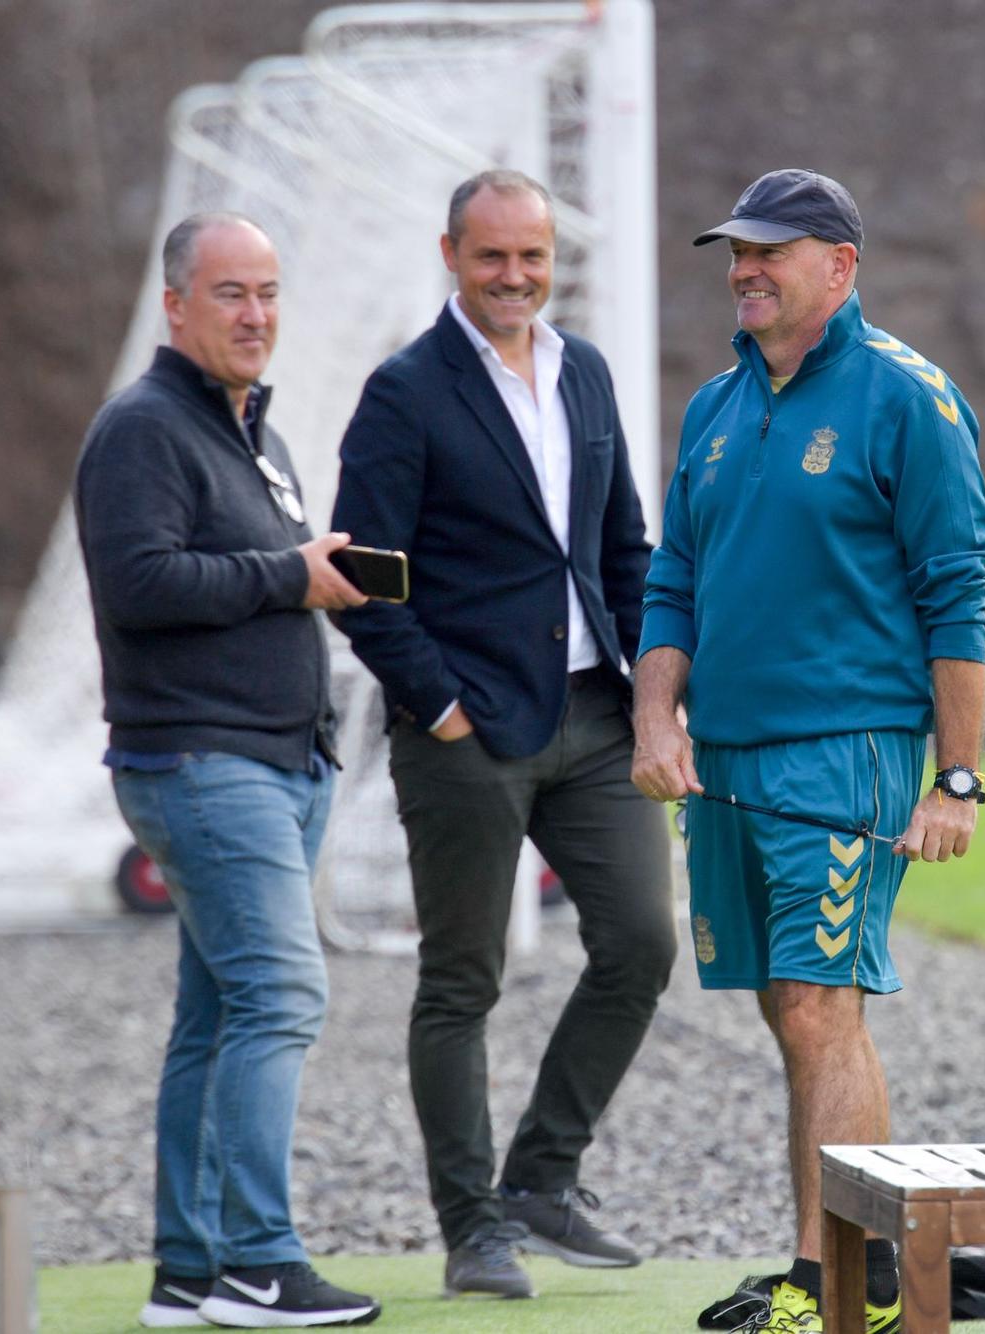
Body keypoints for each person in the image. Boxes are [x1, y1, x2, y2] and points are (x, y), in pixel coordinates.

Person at [632, 169, 985, 1334]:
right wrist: (654, 716)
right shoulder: (714, 408)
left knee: (816, 1004)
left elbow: (957, 597)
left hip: (845, 755)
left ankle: (859, 1279)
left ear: (838, 266)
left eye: (770, 250)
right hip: (726, 764)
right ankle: (818, 1260)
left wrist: (955, 777)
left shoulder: (907, 398)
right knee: (787, 1010)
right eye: (736, 249)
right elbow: (671, 579)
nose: (744, 267)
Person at [330, 169, 676, 1299]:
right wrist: (435, 704)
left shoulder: (585, 371)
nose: (515, 277)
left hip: (592, 713)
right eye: (493, 258)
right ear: (451, 254)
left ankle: (541, 1175)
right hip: (466, 732)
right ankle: (471, 1225)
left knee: (638, 941)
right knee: (461, 982)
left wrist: (650, 691)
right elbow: (365, 577)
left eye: (532, 257)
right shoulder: (404, 390)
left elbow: (619, 544)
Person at [74, 211, 380, 1329]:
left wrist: (317, 579)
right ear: (175, 307)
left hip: (278, 760)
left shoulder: (261, 436)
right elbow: (142, 585)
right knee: (281, 992)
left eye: (267, 291)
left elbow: (258, 573)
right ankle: (259, 1259)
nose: (255, 314)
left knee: (214, 1012)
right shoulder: (141, 429)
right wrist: (285, 576)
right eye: (229, 293)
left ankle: (191, 1271)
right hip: (200, 760)